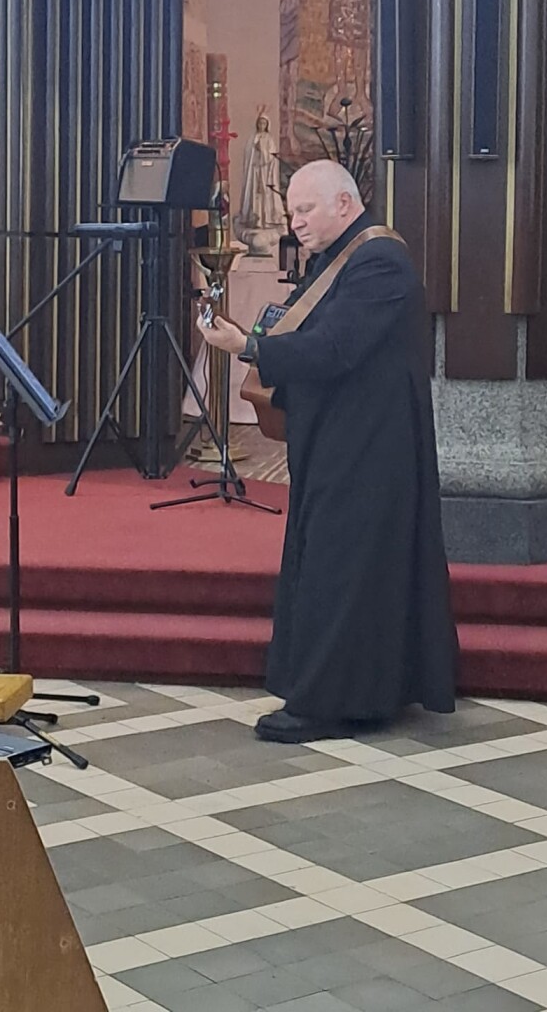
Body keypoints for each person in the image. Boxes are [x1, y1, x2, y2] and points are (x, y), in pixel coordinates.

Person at [198, 159, 457, 744]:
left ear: (344, 203)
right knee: (339, 566)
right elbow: (308, 335)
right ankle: (354, 691)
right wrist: (256, 342)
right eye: (291, 211)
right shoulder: (339, 259)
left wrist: (247, 346)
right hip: (341, 440)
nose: (295, 222)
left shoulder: (380, 261)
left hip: (370, 447)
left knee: (343, 571)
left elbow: (335, 348)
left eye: (305, 209)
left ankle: (329, 703)